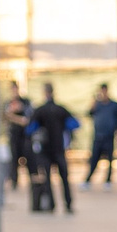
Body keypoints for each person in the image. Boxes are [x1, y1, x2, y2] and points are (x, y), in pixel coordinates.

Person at [27, 83, 77, 212]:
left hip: (45, 150)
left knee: (48, 178)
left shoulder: (40, 110)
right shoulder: (61, 110)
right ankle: (68, 204)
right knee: (64, 178)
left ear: (44, 92)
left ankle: (51, 205)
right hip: (59, 149)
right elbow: (75, 124)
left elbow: (30, 129)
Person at [84, 83, 117, 187]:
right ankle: (88, 180)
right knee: (94, 159)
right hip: (98, 136)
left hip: (109, 136)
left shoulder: (114, 105)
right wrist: (93, 103)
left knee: (110, 159)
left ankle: (108, 180)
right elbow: (89, 113)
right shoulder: (97, 104)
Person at [4, 84, 31, 189]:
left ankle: (32, 181)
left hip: (24, 136)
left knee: (28, 158)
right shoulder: (8, 103)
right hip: (14, 135)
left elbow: (26, 120)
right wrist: (14, 116)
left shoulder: (25, 102)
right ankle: (14, 182)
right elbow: (6, 117)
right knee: (14, 159)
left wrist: (13, 117)